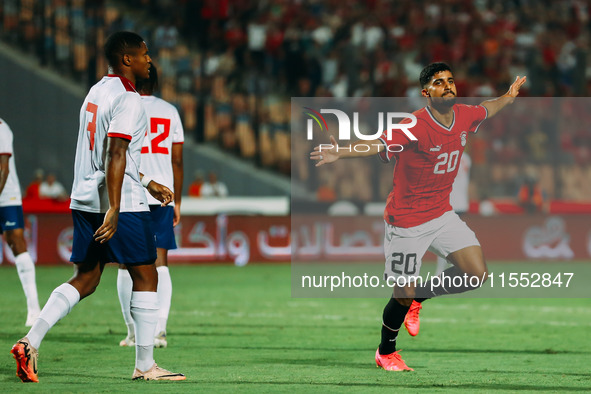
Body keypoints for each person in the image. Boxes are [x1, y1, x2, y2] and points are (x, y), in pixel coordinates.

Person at [311, 62, 526, 371]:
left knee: (476, 274)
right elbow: (378, 143)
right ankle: (385, 352)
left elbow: (486, 109)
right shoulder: (414, 126)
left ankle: (419, 299)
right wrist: (340, 152)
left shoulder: (464, 115)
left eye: (450, 80)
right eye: (439, 82)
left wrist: (507, 96)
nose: (448, 85)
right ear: (426, 92)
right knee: (401, 294)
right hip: (407, 223)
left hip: (441, 215)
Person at [10, 31, 185, 382]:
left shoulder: (96, 91)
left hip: (85, 197)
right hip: (118, 203)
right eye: (144, 54)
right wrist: (116, 207)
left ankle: (31, 341)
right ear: (127, 59)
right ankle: (145, 365)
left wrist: (148, 181)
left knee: (87, 277)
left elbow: (110, 151)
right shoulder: (129, 99)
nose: (149, 60)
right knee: (145, 272)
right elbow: (115, 152)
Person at [118, 63, 184, 349]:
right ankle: (160, 330)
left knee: (124, 263)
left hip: (129, 192)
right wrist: (177, 199)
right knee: (160, 261)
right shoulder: (169, 111)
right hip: (163, 194)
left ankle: (132, 332)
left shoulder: (123, 107)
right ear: (155, 83)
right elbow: (177, 160)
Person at [0, 118, 41, 327]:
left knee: (17, 243)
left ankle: (34, 310)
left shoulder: (1, 128)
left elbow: (3, 169)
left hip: (7, 197)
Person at [435, 152, 471, 275]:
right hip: (461, 203)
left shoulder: (444, 154)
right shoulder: (466, 158)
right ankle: (453, 266)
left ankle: (442, 269)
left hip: (448, 201)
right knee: (451, 237)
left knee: (444, 236)